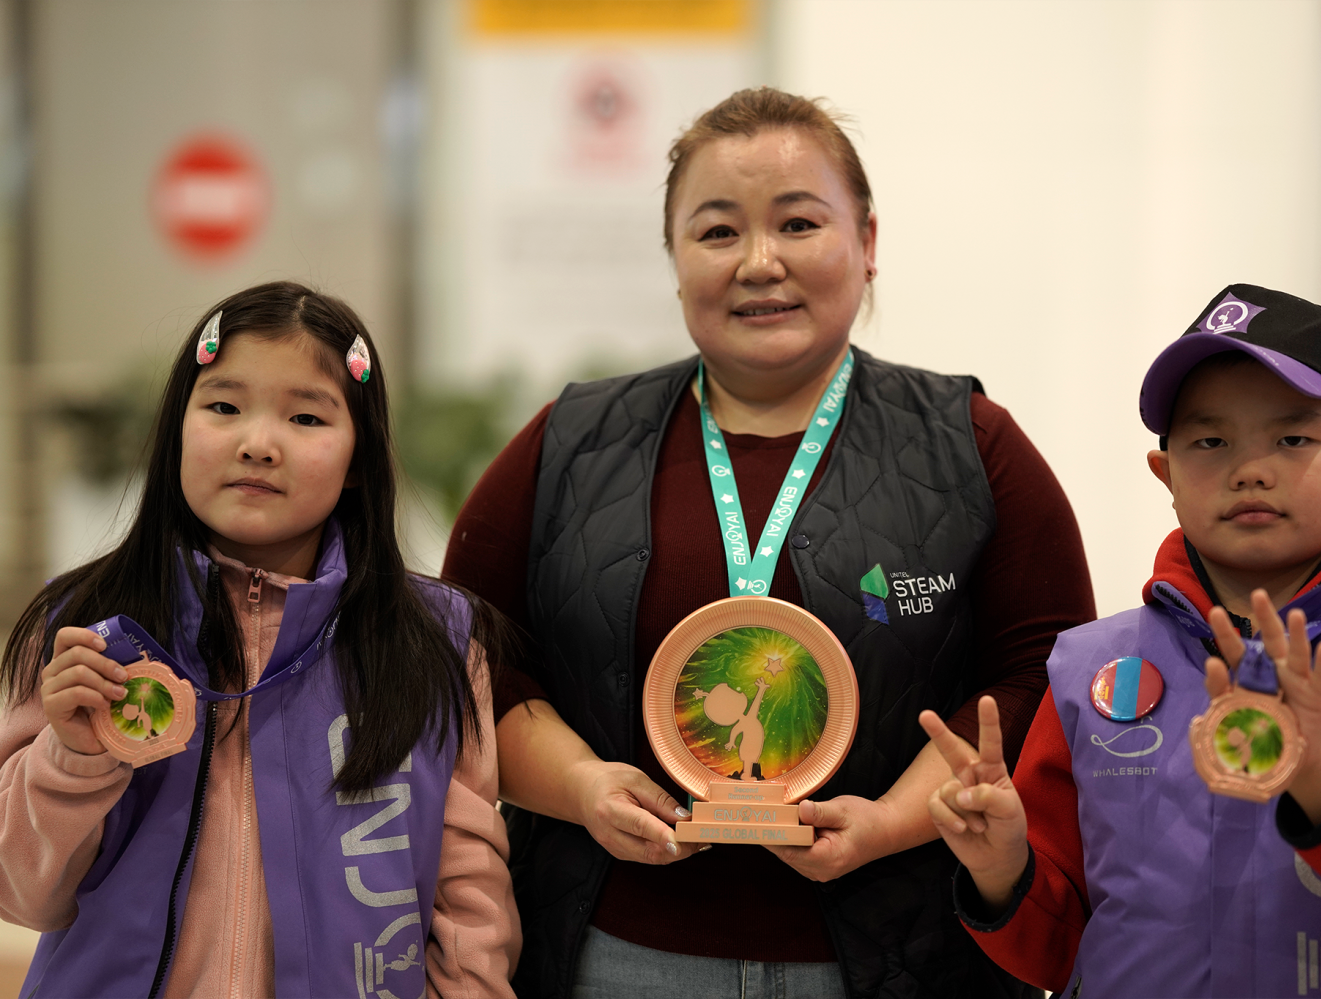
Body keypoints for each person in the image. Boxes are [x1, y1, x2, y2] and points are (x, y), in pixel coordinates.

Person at [443, 87, 1094, 998]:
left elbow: (1041, 670)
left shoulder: (970, 444)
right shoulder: (572, 441)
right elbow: (468, 657)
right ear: (675, 260)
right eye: (718, 232)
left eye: (798, 223)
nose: (759, 262)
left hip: (902, 958)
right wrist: (583, 785)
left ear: (867, 242)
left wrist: (892, 820)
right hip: (615, 957)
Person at [921, 284, 1321, 997]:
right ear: (1165, 474)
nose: (1249, 468)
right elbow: (1064, 950)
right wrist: (1002, 870)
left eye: (1292, 438)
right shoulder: (1088, 669)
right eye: (1211, 441)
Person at [0, 282, 520, 997]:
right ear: (177, 429)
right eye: (224, 407)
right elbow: (22, 895)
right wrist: (73, 759)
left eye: (306, 416)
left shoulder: (435, 641)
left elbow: (469, 895)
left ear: (359, 461)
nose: (257, 444)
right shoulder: (84, 627)